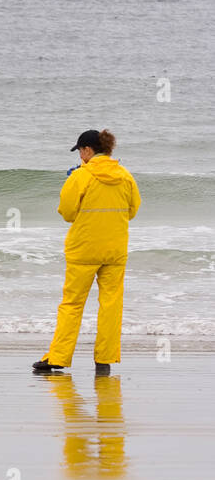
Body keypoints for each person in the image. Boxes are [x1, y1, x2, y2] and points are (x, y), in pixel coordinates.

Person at [34, 129, 141, 376]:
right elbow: (132, 211)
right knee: (111, 305)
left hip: (83, 250)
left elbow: (67, 212)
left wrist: (71, 182)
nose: (80, 156)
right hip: (115, 250)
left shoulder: (81, 176)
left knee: (72, 304)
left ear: (88, 150)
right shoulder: (125, 176)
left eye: (81, 151)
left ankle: (58, 357)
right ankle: (105, 359)